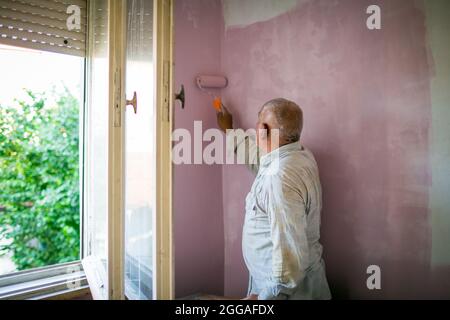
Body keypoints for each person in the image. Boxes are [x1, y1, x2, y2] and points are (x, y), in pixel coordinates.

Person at [217, 98, 332, 300]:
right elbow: (258, 159)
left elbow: (290, 261)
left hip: (285, 294)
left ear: (263, 129)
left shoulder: (280, 178)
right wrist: (230, 130)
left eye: (258, 122)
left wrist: (264, 298)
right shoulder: (297, 156)